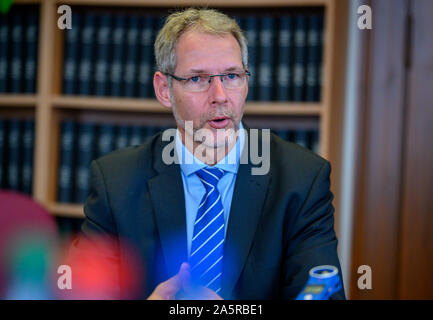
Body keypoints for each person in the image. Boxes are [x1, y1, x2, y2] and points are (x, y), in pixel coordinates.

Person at [71, 8, 345, 300]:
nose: (220, 95)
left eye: (231, 75)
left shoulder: (302, 180)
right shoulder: (116, 181)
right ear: (164, 89)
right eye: (198, 79)